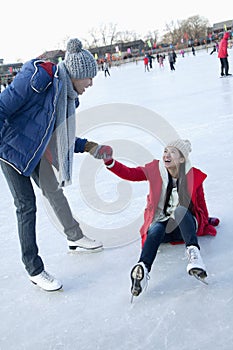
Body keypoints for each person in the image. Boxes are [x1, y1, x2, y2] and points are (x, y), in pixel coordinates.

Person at [0, 38, 113, 292]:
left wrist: (90, 147)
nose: (91, 84)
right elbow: (2, 107)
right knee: (25, 206)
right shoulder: (38, 76)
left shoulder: (67, 98)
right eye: (88, 78)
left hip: (35, 149)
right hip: (10, 147)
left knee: (53, 191)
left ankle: (75, 238)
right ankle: (34, 269)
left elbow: (58, 137)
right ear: (77, 74)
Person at [103, 139, 219, 298]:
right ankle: (142, 268)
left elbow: (201, 204)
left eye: (172, 152)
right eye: (165, 151)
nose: (167, 155)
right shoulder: (154, 170)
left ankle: (194, 257)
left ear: (182, 159)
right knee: (155, 227)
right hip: (164, 226)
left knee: (180, 211)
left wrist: (205, 221)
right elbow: (130, 173)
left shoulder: (193, 176)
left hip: (184, 226)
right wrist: (110, 162)